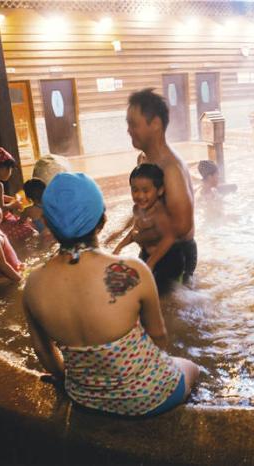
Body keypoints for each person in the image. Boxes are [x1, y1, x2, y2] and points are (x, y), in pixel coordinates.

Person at [22, 172, 199, 417]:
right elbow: (158, 337)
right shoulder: (133, 270)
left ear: (48, 224)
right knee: (191, 367)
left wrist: (68, 379)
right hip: (149, 396)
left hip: (83, 397)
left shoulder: (33, 284)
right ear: (102, 220)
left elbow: (43, 351)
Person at [127, 89, 197, 284]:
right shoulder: (145, 161)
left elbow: (182, 227)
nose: (129, 130)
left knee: (165, 303)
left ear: (156, 124)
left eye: (134, 124)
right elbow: (146, 207)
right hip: (154, 252)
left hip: (174, 256)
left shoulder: (170, 170)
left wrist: (146, 242)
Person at [114, 164, 183, 294]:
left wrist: (151, 263)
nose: (140, 196)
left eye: (146, 191)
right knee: (137, 285)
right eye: (135, 190)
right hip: (148, 255)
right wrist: (119, 247)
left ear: (160, 191)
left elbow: (169, 238)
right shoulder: (137, 209)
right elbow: (135, 232)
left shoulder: (159, 213)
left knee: (164, 294)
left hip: (169, 258)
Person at [0, 146, 36, 241]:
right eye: (9, 169)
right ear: (1, 168)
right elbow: (1, 208)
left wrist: (11, 199)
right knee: (31, 230)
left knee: (23, 221)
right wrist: (14, 205)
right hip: (1, 222)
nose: (10, 173)